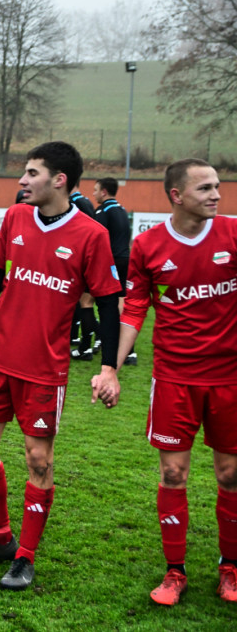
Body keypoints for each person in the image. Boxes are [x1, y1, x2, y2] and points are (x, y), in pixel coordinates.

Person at [0, 141, 121, 591]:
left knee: (38, 460)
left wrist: (109, 367)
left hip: (44, 370)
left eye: (31, 173)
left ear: (59, 180)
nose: (22, 181)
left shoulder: (91, 235)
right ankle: (0, 539)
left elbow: (108, 304)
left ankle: (25, 557)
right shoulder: (15, 218)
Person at [115, 158, 237, 606]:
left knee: (231, 475)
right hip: (174, 377)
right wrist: (113, 365)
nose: (215, 194)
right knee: (172, 473)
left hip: (230, 377)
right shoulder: (147, 245)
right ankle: (175, 571)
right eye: (204, 188)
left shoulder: (233, 234)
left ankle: (231, 568)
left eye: (217, 186)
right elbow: (134, 308)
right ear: (176, 195)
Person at [92, 177, 135, 365]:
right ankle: (129, 350)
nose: (93, 194)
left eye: (95, 190)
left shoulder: (103, 210)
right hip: (125, 259)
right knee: (120, 301)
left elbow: (96, 238)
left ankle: (103, 338)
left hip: (111, 261)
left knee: (92, 301)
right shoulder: (121, 209)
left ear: (103, 192)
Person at [68, 184, 97, 353]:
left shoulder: (76, 203)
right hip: (85, 258)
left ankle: (89, 342)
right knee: (83, 302)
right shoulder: (85, 202)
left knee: (85, 303)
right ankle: (78, 338)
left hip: (81, 259)